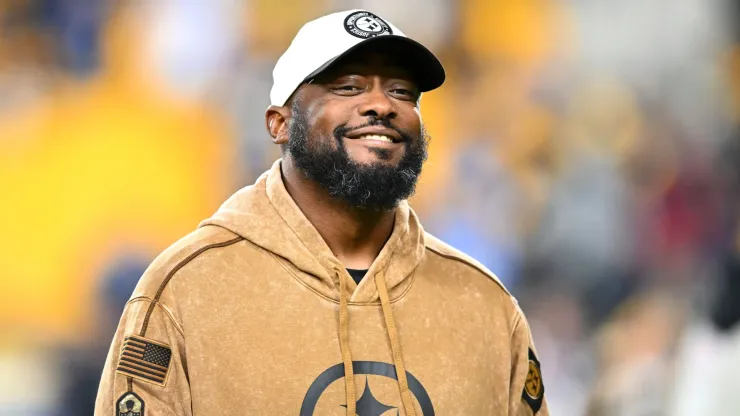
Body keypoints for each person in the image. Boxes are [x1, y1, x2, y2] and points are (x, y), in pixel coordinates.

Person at [95, 9, 548, 416]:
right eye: (348, 86)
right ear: (280, 122)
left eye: (402, 91)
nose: (381, 105)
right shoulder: (186, 289)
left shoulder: (484, 304)